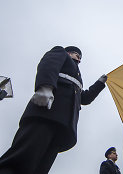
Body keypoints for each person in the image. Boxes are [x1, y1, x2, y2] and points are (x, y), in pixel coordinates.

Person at [0, 46, 107, 174]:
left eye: (80, 57)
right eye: (76, 55)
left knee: (41, 167)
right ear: (69, 53)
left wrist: (100, 83)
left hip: (64, 124)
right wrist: (45, 87)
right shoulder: (60, 52)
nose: (79, 58)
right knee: (22, 158)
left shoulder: (78, 76)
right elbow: (49, 65)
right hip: (46, 113)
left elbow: (83, 98)